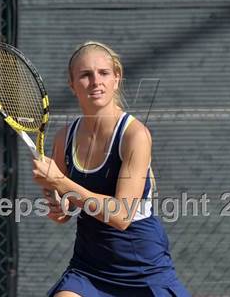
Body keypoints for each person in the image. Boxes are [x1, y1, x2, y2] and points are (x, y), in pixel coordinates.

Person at [32, 41, 190, 297]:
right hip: (89, 268)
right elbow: (64, 211)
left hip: (143, 267)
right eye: (85, 75)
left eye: (104, 73)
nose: (96, 81)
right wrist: (55, 199)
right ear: (73, 85)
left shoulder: (135, 135)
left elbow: (121, 216)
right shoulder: (65, 137)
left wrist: (60, 182)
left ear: (117, 78)